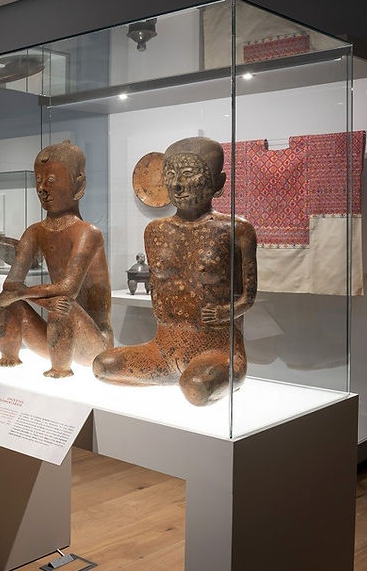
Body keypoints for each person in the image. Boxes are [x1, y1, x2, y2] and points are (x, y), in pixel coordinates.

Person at [93, 136, 258, 406]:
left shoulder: (236, 231)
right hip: (163, 348)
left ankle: (207, 377)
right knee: (103, 365)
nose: (177, 184)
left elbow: (248, 298)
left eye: (189, 174)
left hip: (217, 350)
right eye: (170, 175)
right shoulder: (155, 231)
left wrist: (224, 312)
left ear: (218, 183)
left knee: (195, 387)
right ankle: (175, 375)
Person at [0, 140, 113, 378]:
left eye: (50, 180)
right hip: (56, 335)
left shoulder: (88, 232)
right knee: (7, 303)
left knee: (62, 306)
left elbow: (68, 288)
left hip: (93, 344)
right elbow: (10, 286)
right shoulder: (34, 231)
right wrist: (27, 298)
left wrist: (23, 293)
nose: (42, 189)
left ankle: (60, 369)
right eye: (38, 181)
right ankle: (10, 357)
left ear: (79, 185)